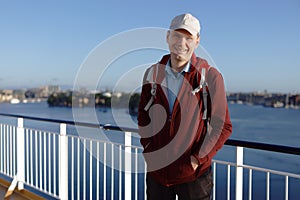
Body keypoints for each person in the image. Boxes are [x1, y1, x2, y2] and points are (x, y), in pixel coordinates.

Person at [138, 13, 232, 200]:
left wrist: (197, 159)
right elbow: (143, 115)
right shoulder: (152, 73)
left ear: (197, 41)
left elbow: (222, 126)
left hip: (193, 177)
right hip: (158, 173)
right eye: (177, 36)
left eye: (188, 37)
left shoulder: (210, 77)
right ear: (168, 37)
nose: (181, 43)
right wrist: (149, 148)